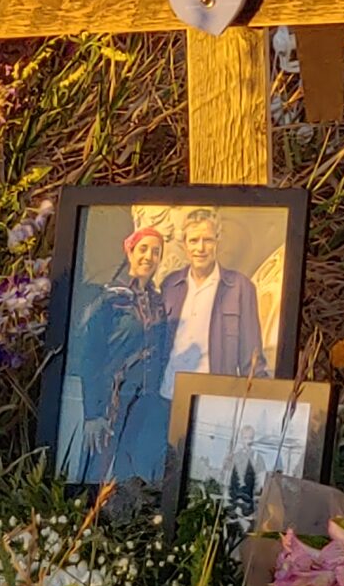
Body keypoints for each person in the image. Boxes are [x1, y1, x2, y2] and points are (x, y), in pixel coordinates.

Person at [74, 222, 171, 488]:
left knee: (128, 474)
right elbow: (90, 357)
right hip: (111, 400)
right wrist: (93, 413)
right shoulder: (110, 298)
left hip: (144, 402)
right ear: (129, 252)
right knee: (96, 472)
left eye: (155, 251)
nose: (148, 256)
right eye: (143, 249)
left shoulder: (156, 300)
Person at [160, 209, 265, 390]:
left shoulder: (239, 287)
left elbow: (252, 357)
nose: (200, 248)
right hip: (168, 393)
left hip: (214, 395)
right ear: (185, 245)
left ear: (217, 242)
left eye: (207, 240)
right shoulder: (170, 285)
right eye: (193, 240)